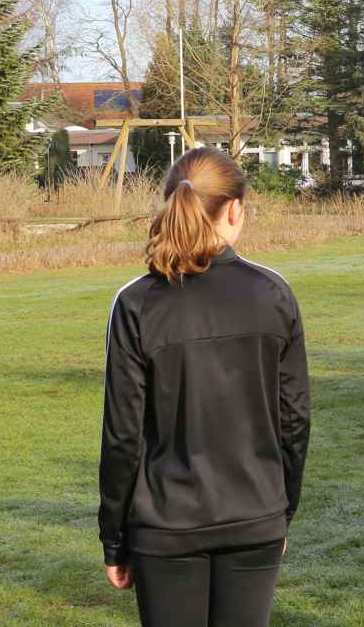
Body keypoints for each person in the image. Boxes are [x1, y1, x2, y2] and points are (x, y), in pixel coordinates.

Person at [99, 148, 311, 627]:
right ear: (235, 210)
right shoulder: (273, 294)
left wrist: (113, 537)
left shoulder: (138, 304)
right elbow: (295, 421)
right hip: (249, 515)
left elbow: (121, 436)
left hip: (170, 524)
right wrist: (282, 510)